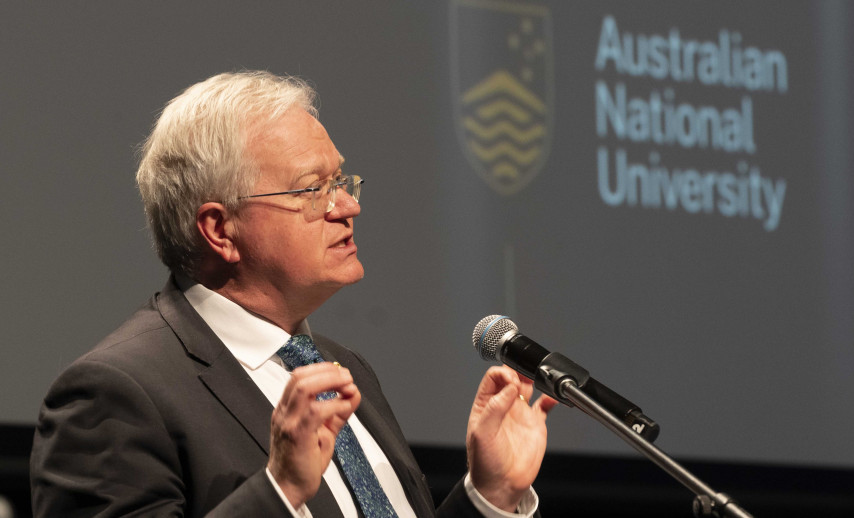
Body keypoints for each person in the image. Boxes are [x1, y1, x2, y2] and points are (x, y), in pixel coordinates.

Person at [30, 71, 557, 517]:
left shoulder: (346, 368)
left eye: (342, 180)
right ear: (220, 230)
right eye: (312, 188)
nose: (347, 206)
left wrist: (488, 496)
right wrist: (278, 491)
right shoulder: (114, 396)